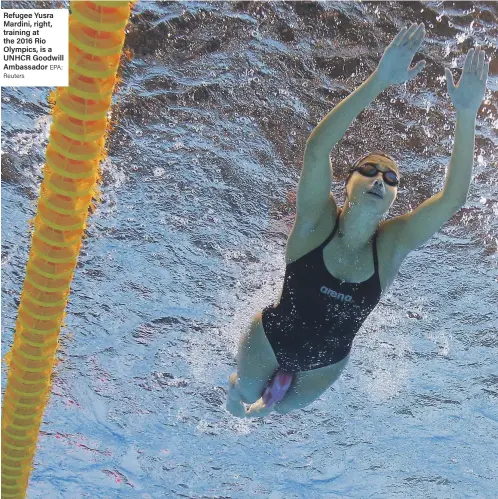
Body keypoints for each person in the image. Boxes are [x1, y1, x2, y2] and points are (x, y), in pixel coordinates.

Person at [226, 23, 490, 418]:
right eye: (368, 170)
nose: (379, 180)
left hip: (326, 364)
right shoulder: (316, 223)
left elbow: (453, 200)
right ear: (346, 184)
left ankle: (276, 397)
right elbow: (317, 150)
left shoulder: (392, 245)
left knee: (280, 413)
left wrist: (466, 113)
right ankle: (240, 390)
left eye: (390, 178)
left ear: (394, 198)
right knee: (242, 400)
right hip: (270, 340)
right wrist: (378, 81)